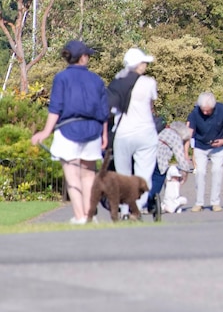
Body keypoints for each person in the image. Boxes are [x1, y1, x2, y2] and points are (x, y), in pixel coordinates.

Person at [31, 40, 110, 225]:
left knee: (72, 175)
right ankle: (90, 216)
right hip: (92, 130)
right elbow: (103, 111)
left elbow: (55, 108)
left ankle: (80, 216)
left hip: (68, 129)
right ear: (82, 57)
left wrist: (45, 131)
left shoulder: (61, 78)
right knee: (88, 175)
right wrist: (104, 134)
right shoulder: (96, 79)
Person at [111, 47, 158, 216]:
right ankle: (137, 206)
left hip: (123, 132)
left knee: (123, 174)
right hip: (145, 131)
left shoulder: (117, 81)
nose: (145, 65)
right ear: (138, 65)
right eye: (144, 62)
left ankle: (124, 208)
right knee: (144, 173)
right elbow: (151, 107)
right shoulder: (149, 83)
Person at [187, 92, 223, 212]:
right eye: (203, 110)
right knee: (200, 172)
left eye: (208, 110)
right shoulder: (195, 112)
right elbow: (189, 132)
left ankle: (215, 202)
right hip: (200, 146)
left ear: (213, 107)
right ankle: (199, 203)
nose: (205, 113)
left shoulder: (222, 110)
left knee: (216, 171)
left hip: (218, 146)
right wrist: (185, 152)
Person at [149, 121, 193, 213]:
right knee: (157, 180)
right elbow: (180, 158)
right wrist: (185, 172)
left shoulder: (164, 130)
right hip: (159, 159)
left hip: (147, 156)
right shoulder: (176, 138)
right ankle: (149, 204)